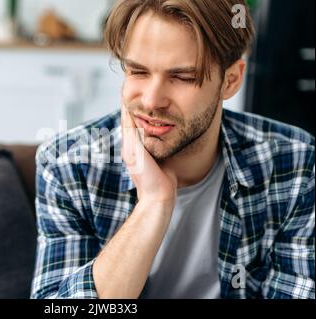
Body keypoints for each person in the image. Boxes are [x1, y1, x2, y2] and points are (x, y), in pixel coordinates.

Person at [30, 0, 315, 299]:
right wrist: (154, 203)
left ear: (231, 80)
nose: (152, 101)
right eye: (138, 71)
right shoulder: (67, 165)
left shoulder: (296, 165)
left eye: (182, 77)